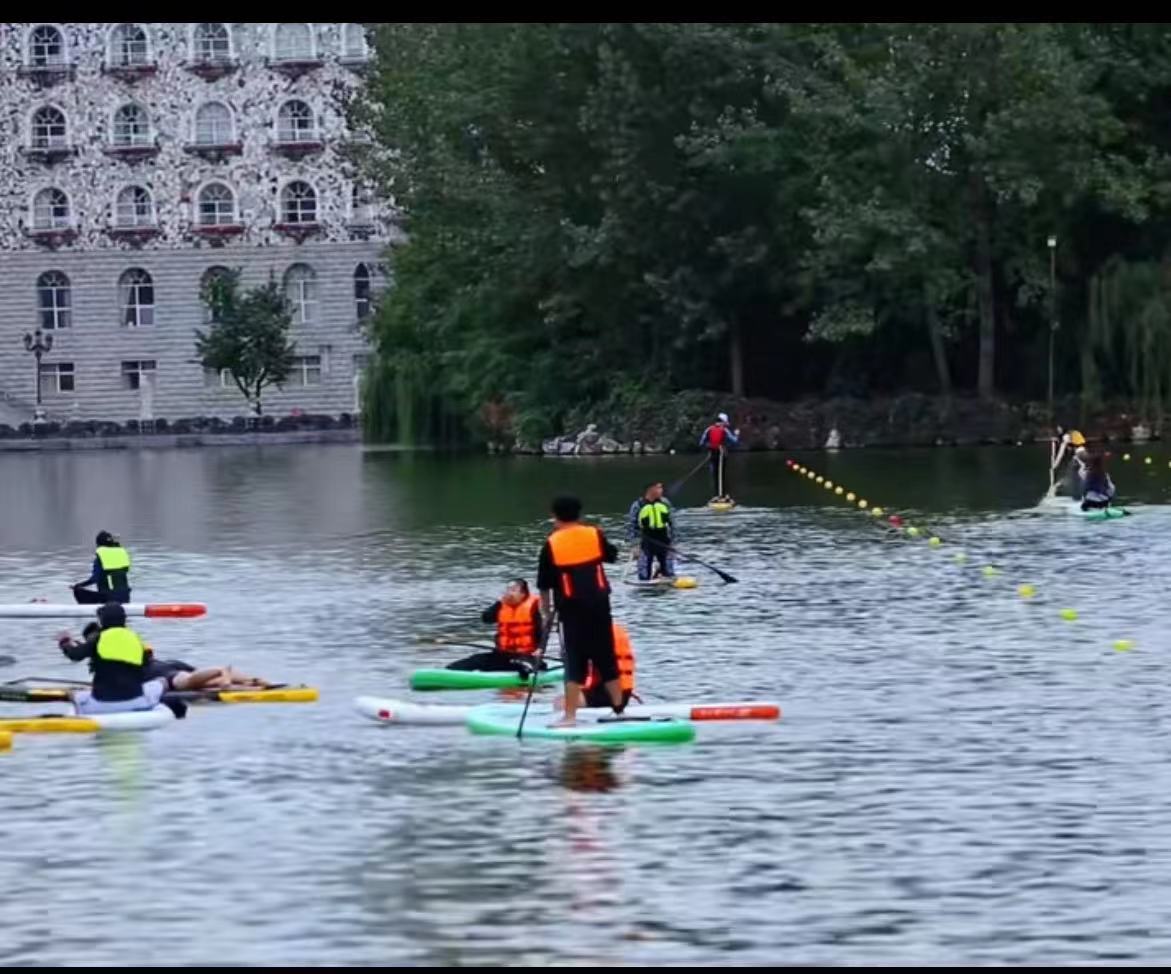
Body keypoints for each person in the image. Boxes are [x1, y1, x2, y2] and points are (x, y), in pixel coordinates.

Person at [537, 495, 621, 725]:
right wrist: (601, 537)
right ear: (579, 514)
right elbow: (612, 556)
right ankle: (620, 711)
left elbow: (544, 585)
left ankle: (570, 717)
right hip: (601, 608)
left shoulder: (551, 544)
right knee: (607, 659)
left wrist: (546, 614)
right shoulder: (594, 534)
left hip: (572, 612)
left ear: (554, 516)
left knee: (574, 663)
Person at [60, 621, 268, 693]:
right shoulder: (126, 636)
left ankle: (220, 673)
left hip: (152, 673)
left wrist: (65, 642)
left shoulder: (100, 643)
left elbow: (83, 659)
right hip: (165, 663)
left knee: (187, 683)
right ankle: (250, 681)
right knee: (194, 677)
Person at [56, 602, 170, 716]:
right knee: (162, 682)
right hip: (136, 701)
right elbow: (146, 664)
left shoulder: (98, 638)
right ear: (124, 620)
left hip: (101, 704)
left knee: (75, 694)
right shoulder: (135, 638)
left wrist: (64, 642)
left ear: (102, 621)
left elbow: (75, 655)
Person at [446, 578, 547, 673]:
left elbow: (543, 631)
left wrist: (540, 649)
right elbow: (486, 618)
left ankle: (529, 670)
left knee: (522, 668)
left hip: (526, 656)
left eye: (513, 590)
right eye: (508, 590)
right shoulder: (501, 605)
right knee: (476, 660)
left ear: (523, 594)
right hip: (502, 654)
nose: (509, 593)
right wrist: (499, 603)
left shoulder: (534, 607)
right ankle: (447, 672)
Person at [582, 623, 637, 710]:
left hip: (605, 694)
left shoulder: (590, 633)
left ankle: (571, 718)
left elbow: (584, 676)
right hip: (625, 692)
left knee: (560, 702)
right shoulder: (617, 629)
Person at [626, 482, 675, 580]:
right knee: (644, 575)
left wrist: (673, 544)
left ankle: (662, 573)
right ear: (650, 489)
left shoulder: (665, 503)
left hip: (663, 540)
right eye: (658, 488)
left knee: (669, 573)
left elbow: (672, 524)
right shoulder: (638, 505)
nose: (661, 490)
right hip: (646, 542)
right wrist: (635, 546)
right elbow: (632, 526)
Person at [72, 531, 131, 605]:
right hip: (125, 596)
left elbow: (94, 579)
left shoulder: (100, 558)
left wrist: (79, 585)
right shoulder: (121, 554)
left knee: (79, 591)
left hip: (109, 598)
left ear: (99, 544)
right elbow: (125, 570)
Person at [699, 412, 740, 500]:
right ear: (723, 422)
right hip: (721, 454)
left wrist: (710, 446)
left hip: (712, 454)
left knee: (715, 475)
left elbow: (701, 443)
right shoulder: (724, 430)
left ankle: (716, 495)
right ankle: (723, 496)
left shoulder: (708, 429)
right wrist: (736, 434)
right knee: (722, 474)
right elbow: (734, 442)